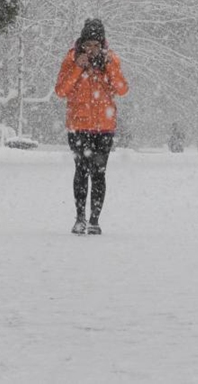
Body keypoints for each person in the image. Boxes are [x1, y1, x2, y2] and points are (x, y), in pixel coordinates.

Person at [55, 18, 128, 235]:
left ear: (103, 45)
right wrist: (78, 67)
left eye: (97, 45)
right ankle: (80, 218)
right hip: (79, 127)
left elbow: (122, 89)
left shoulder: (111, 61)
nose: (92, 50)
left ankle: (94, 220)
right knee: (81, 171)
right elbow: (61, 90)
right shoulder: (71, 60)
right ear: (81, 43)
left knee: (98, 173)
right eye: (88, 45)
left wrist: (109, 67)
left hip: (104, 128)